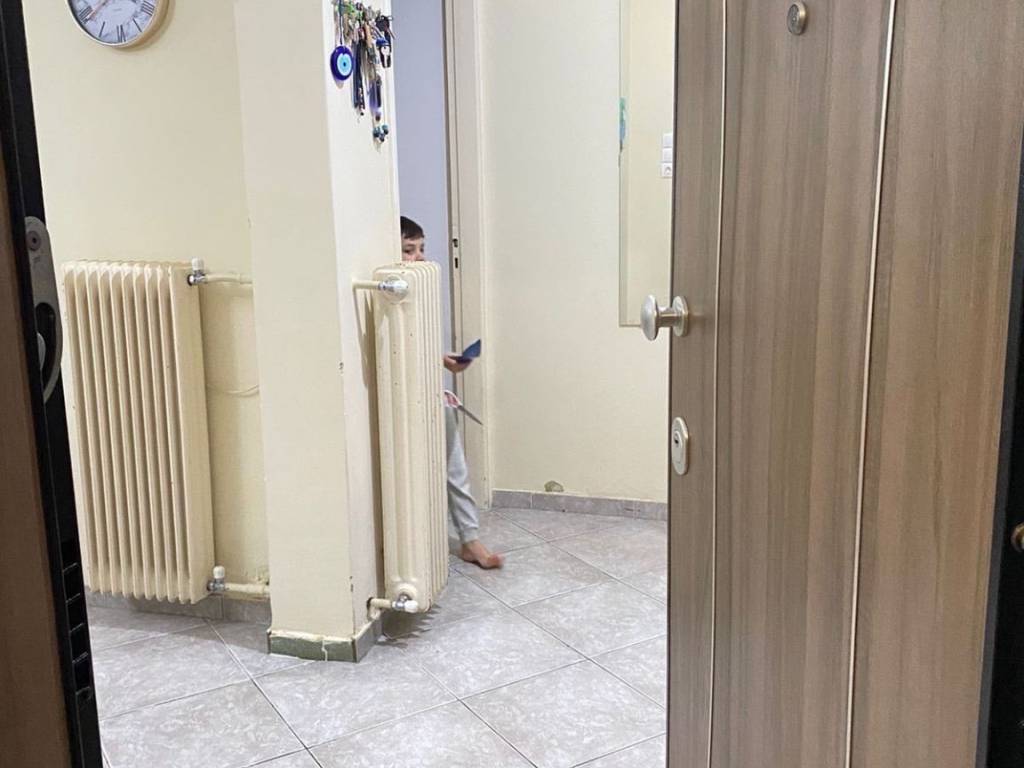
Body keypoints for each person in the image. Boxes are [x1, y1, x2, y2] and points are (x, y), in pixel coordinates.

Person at [400, 216, 503, 569]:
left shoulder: (420, 292)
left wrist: (444, 362)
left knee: (454, 465)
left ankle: (470, 540)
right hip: (403, 398)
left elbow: (418, 347)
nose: (420, 257)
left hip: (431, 392)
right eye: (409, 250)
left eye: (422, 249)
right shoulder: (389, 296)